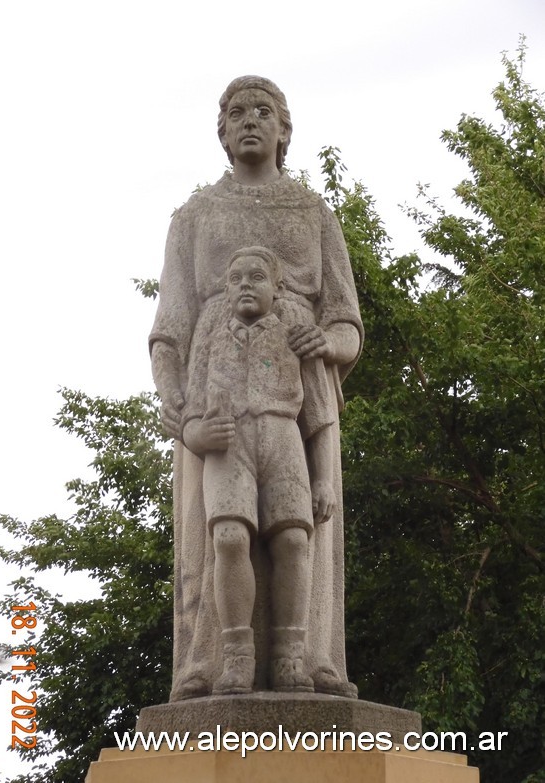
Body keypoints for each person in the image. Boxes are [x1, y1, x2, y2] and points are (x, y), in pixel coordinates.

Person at [150, 75, 363, 700]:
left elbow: (346, 318)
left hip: (297, 385)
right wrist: (175, 399)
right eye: (235, 112)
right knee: (220, 533)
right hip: (215, 394)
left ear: (284, 129)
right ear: (221, 131)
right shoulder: (194, 217)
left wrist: (327, 343)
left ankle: (312, 654)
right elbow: (171, 324)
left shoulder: (313, 212)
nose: (249, 121)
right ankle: (209, 661)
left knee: (302, 530)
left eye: (263, 111)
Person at [181, 246, 335, 694]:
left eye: (256, 277)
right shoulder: (210, 338)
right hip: (229, 449)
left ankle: (290, 655)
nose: (245, 285)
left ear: (278, 288)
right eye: (235, 279)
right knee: (229, 539)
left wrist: (323, 477)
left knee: (292, 540)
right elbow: (191, 415)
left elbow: (320, 415)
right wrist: (200, 435)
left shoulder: (295, 333)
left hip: (282, 440)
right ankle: (235, 656)